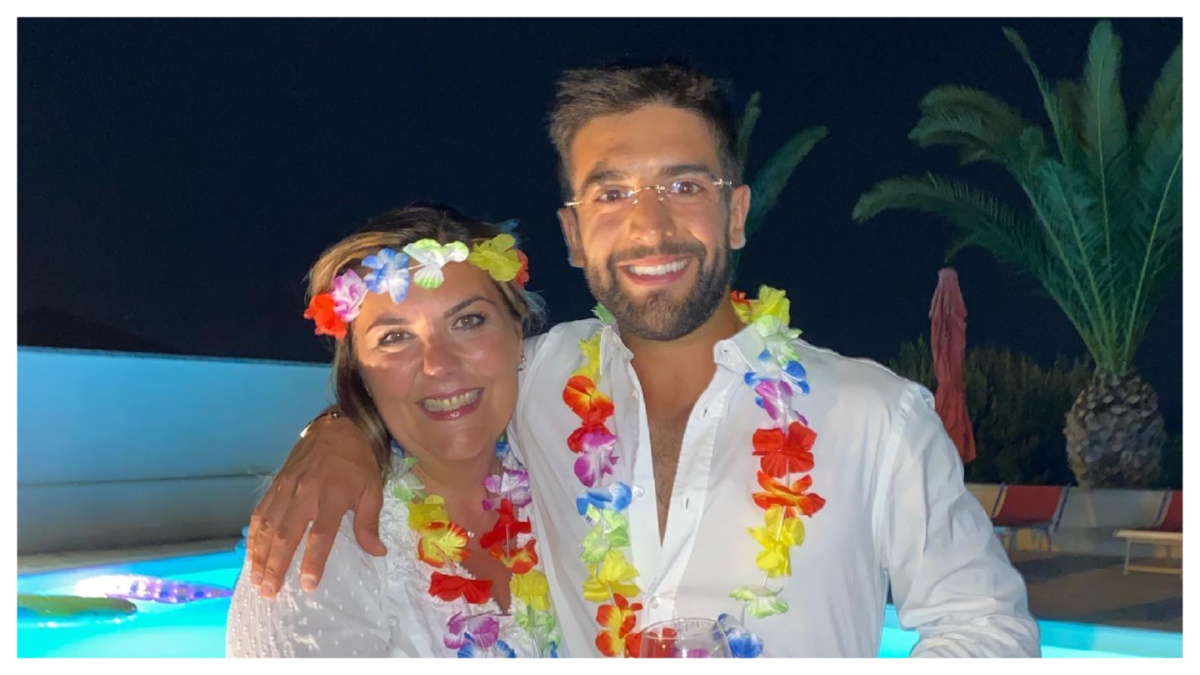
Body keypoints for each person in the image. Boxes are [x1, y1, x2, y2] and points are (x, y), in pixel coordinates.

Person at [245, 63, 1041, 658]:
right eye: (611, 193)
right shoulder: (535, 376)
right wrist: (342, 431)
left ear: (735, 212)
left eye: (683, 186)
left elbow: (986, 627)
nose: (650, 227)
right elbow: (435, 380)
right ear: (571, 232)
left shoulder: (877, 415)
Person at [226, 205, 562, 657]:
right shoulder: (323, 539)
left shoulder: (571, 472)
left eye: (468, 322)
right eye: (395, 338)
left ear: (516, 336)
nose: (439, 364)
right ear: (361, 374)